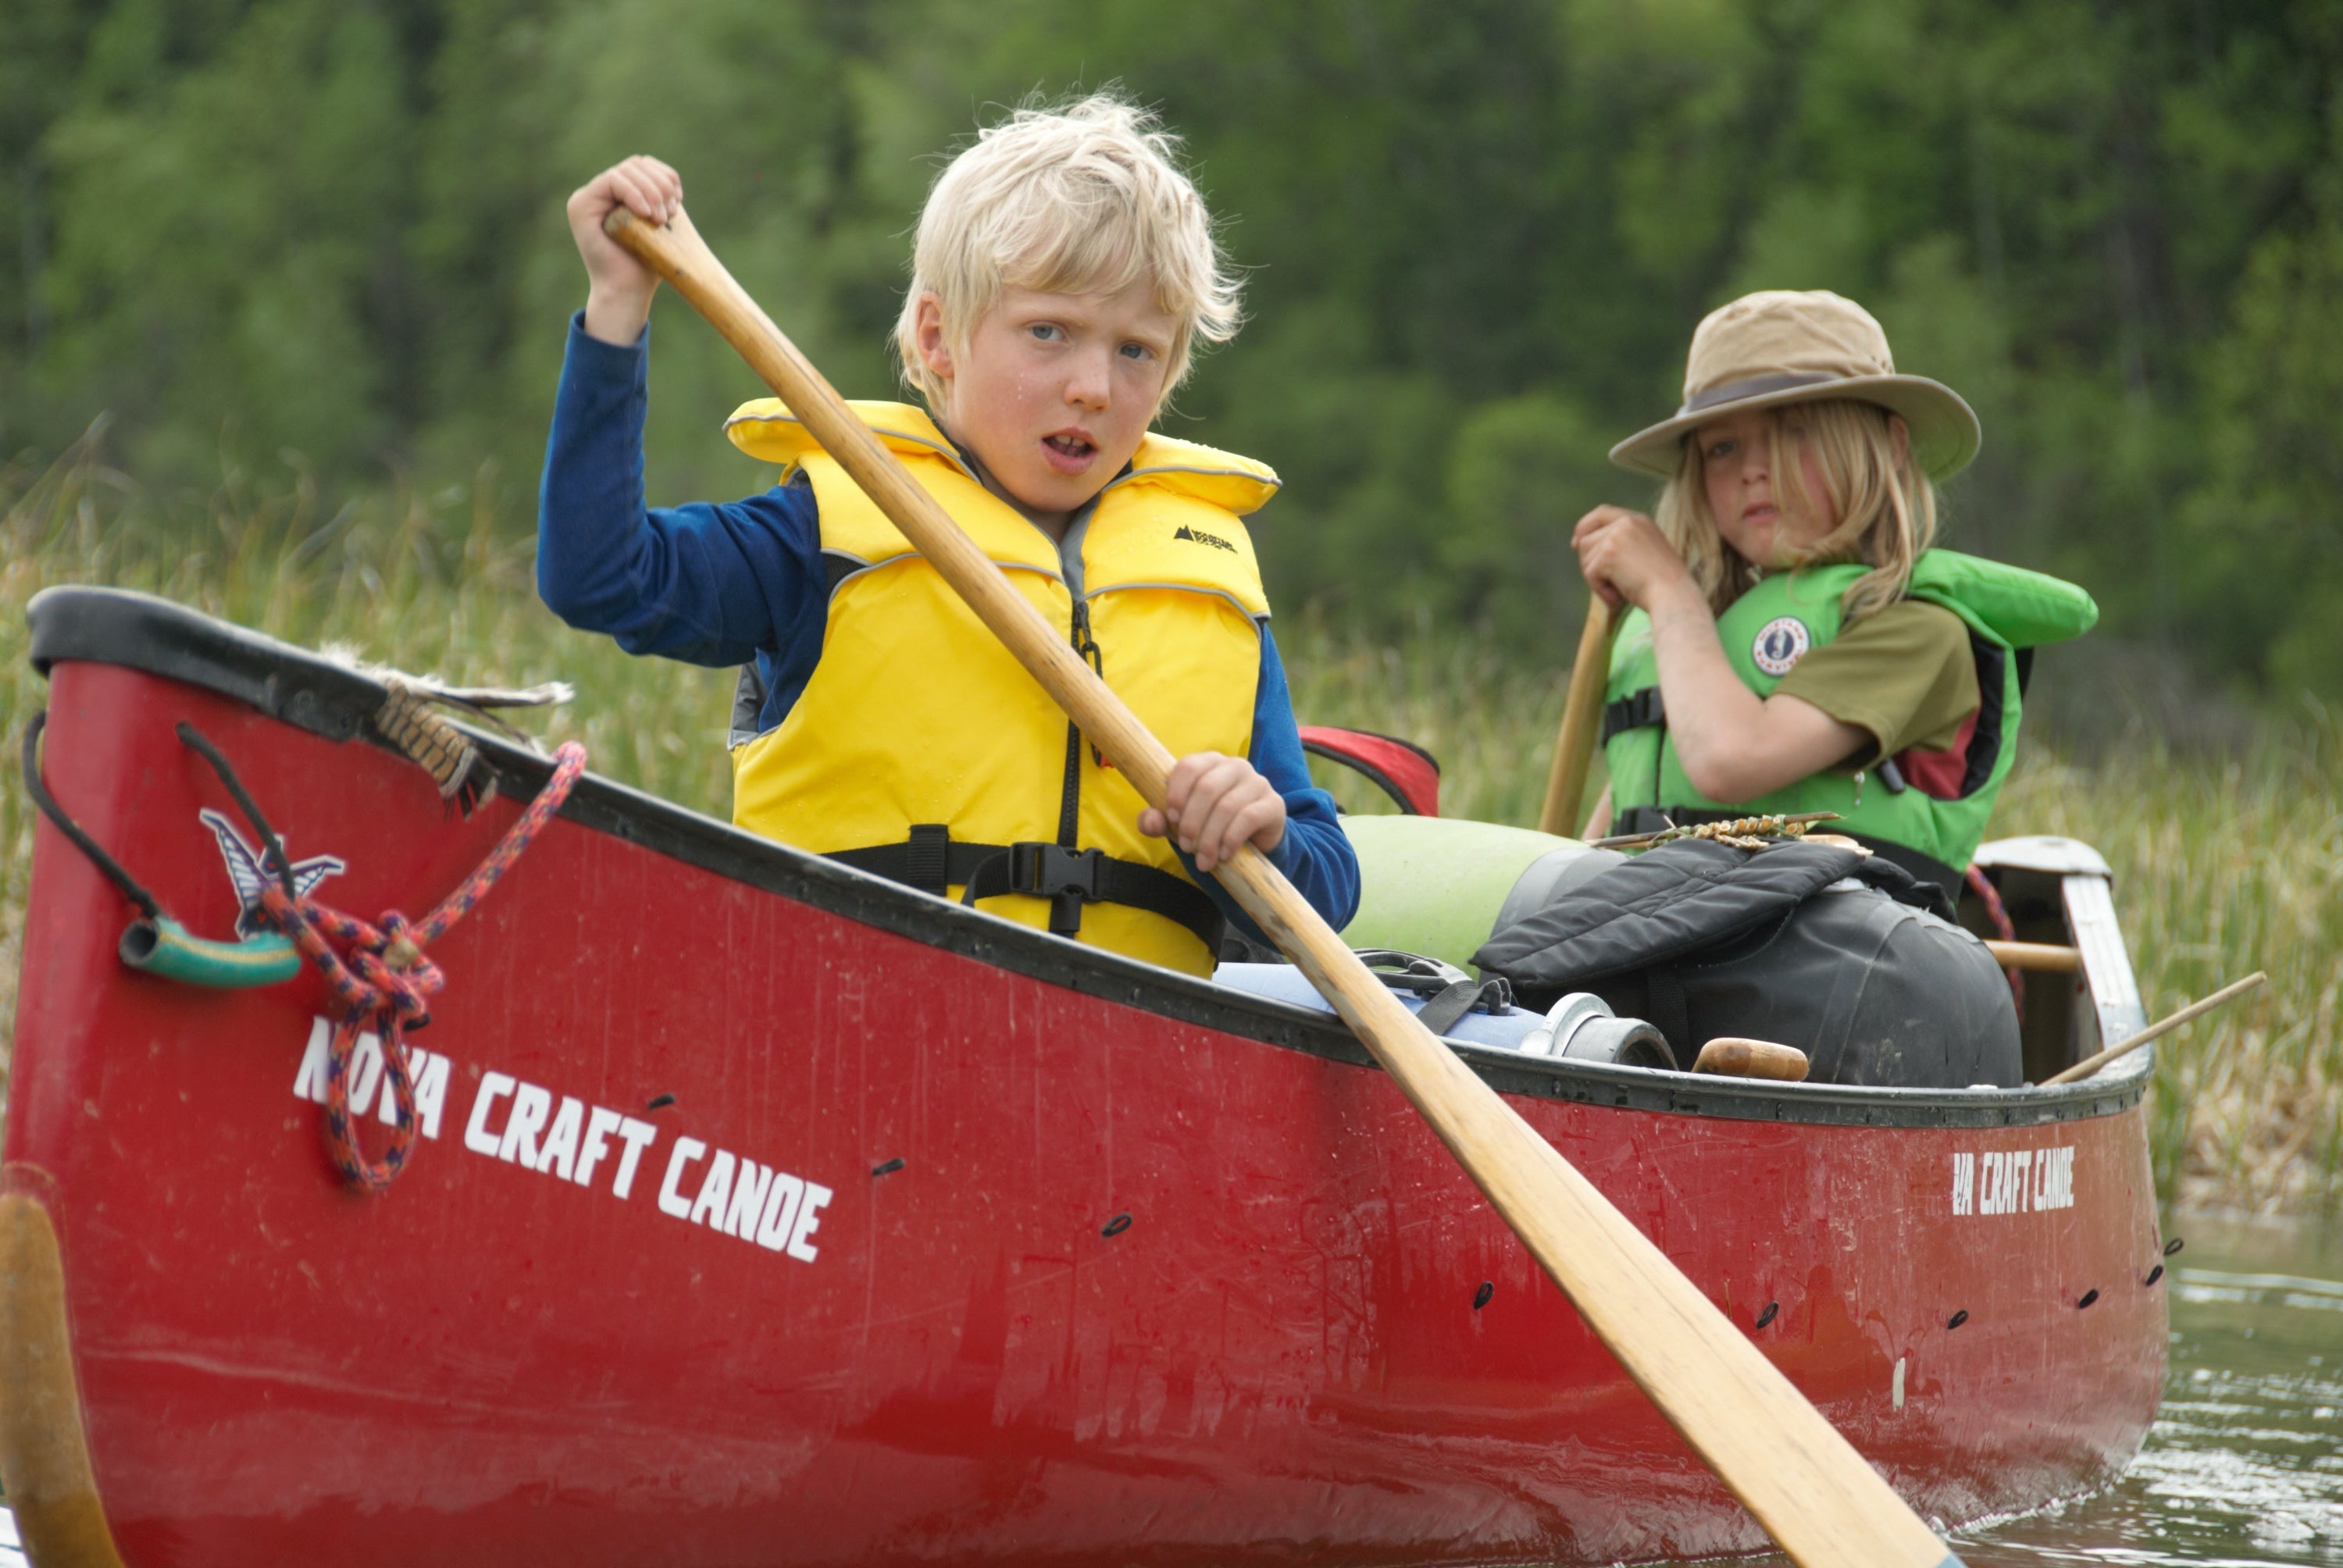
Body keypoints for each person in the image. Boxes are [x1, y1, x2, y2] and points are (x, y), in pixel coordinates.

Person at [537, 95, 1358, 977]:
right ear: (938, 339)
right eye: (1050, 332)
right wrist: (619, 310)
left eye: (1137, 351)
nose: (1092, 386)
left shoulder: (1203, 576)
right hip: (852, 1015)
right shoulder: (828, 531)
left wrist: (1259, 834)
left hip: (1122, 1061)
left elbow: (1327, 889)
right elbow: (602, 578)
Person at [1571, 290, 2098, 898]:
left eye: (1794, 432)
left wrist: (1666, 590)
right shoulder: (1693, 645)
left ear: (1890, 446)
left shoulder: (1917, 628)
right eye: (1722, 448)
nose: (1752, 470)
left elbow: (1728, 760)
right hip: (1655, 938)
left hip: (1827, 960)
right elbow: (1601, 843)